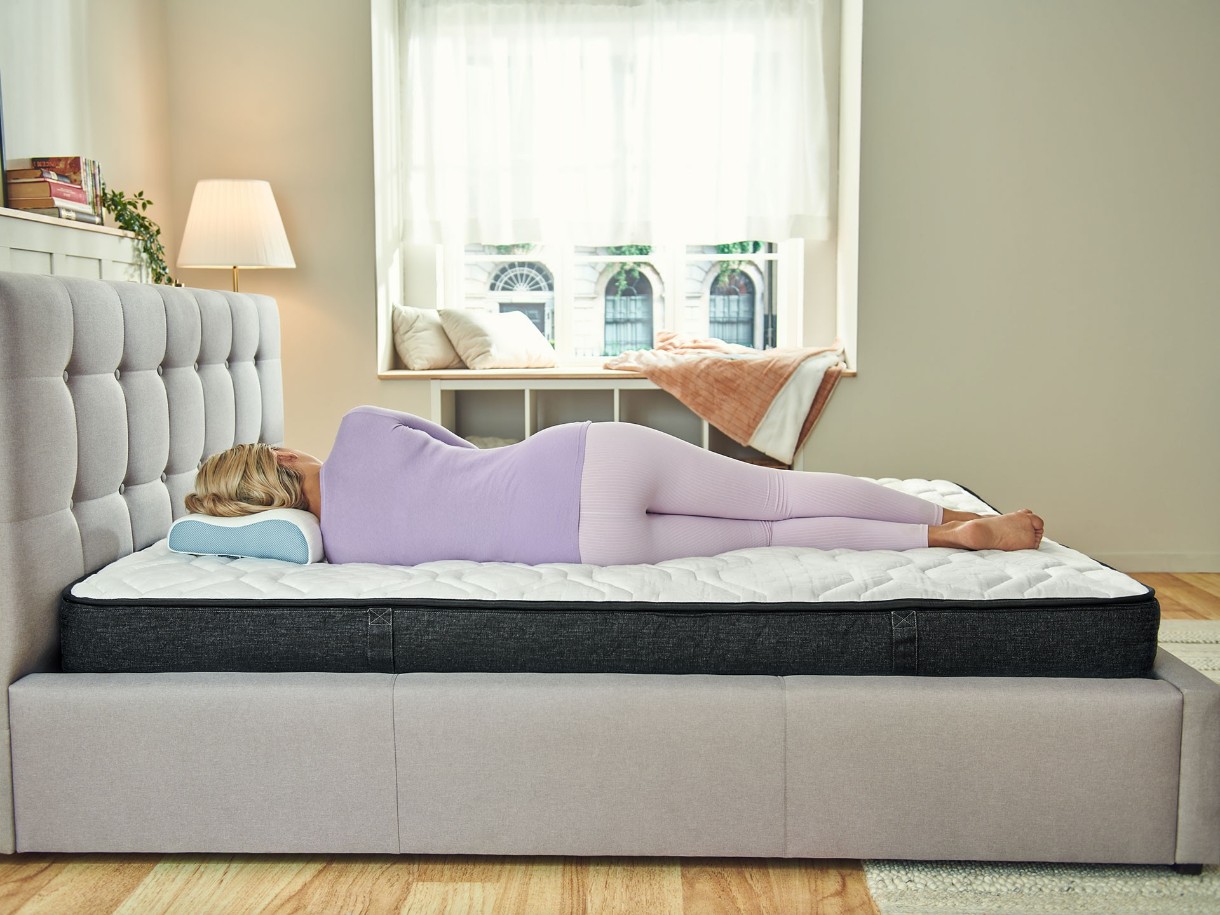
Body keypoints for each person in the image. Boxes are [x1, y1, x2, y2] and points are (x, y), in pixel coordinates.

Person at [185, 405, 1045, 565]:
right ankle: (954, 517)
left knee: (771, 536)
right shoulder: (356, 431)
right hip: (578, 459)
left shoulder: (341, 552)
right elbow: (459, 446)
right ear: (283, 460)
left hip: (589, 545)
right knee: (778, 495)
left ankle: (940, 539)